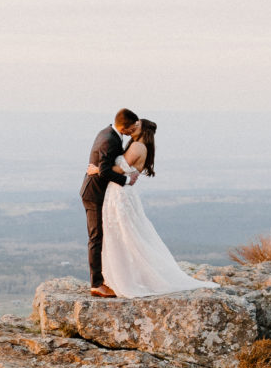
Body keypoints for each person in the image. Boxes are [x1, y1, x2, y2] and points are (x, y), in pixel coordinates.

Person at [97, 118, 218, 298]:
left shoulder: (138, 147)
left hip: (121, 193)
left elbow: (119, 169)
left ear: (142, 129)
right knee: (125, 234)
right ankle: (125, 275)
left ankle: (128, 278)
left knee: (126, 235)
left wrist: (97, 169)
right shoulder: (139, 145)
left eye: (136, 126)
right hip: (122, 192)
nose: (132, 128)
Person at [81, 109, 139, 297]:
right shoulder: (109, 138)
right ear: (124, 126)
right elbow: (105, 171)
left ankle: (106, 278)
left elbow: (103, 166)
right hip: (94, 194)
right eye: (131, 128)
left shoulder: (111, 133)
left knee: (104, 235)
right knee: (96, 237)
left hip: (101, 192)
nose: (133, 131)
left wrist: (98, 169)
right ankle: (96, 284)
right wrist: (126, 181)